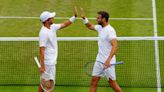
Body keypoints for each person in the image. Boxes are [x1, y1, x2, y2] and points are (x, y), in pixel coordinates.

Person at [81, 8, 122, 92]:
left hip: (108, 62)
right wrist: (84, 18)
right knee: (94, 81)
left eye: (98, 18)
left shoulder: (110, 30)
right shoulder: (100, 27)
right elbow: (89, 26)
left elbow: (115, 46)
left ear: (104, 19)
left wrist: (108, 60)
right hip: (99, 60)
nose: (96, 19)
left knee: (112, 83)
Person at [38, 6, 78, 92]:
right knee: (49, 85)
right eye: (51, 17)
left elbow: (64, 24)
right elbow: (41, 50)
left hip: (51, 61)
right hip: (48, 63)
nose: (53, 18)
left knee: (45, 83)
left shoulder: (52, 27)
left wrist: (74, 17)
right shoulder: (43, 33)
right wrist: (42, 66)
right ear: (47, 20)